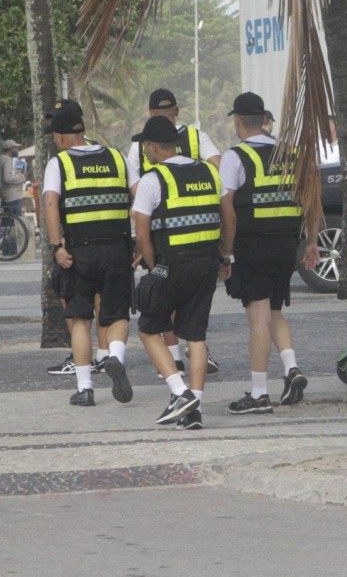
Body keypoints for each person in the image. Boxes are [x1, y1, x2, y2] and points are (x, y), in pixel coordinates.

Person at [218, 92, 319, 415]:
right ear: (264, 120)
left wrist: (227, 252)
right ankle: (291, 368)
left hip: (253, 245)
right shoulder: (291, 153)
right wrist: (313, 242)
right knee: (274, 310)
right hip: (286, 245)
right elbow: (311, 201)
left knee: (257, 319)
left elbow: (228, 210)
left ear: (237, 121)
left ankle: (259, 393)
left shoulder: (235, 157)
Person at [131, 116, 226, 428]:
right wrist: (226, 255)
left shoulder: (153, 179)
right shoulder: (210, 172)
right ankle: (194, 408)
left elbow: (142, 232)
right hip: (207, 262)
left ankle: (180, 391)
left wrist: (151, 264)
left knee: (148, 327)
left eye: (145, 144)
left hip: (172, 263)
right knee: (196, 335)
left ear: (155, 146)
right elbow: (229, 215)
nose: (144, 150)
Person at [40, 103, 134, 408]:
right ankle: (114, 357)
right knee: (117, 313)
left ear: (63, 137)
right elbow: (140, 194)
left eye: (55, 136)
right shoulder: (118, 158)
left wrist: (57, 247)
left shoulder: (60, 164)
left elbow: (51, 204)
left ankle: (85, 388)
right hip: (116, 249)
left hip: (78, 252)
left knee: (80, 319)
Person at [40, 101, 112, 377]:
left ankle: (88, 360)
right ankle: (105, 355)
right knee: (101, 298)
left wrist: (57, 244)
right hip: (109, 244)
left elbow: (49, 203)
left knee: (76, 306)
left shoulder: (64, 160)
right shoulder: (107, 154)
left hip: (77, 243)